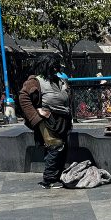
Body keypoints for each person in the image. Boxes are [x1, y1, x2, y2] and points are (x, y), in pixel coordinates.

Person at [18, 53, 73, 188]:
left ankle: (56, 176)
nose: (55, 69)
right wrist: (35, 118)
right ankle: (49, 179)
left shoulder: (60, 80)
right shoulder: (35, 81)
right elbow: (23, 98)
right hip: (47, 119)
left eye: (56, 66)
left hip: (62, 119)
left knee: (63, 148)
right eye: (52, 66)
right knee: (55, 146)